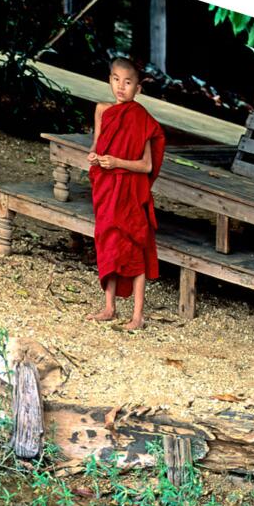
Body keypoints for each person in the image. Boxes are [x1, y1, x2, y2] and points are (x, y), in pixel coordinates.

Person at [87, 57, 165, 330]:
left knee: (135, 249)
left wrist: (117, 162)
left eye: (128, 82)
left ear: (138, 89)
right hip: (107, 190)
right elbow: (97, 148)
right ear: (109, 80)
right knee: (107, 243)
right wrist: (96, 158)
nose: (121, 87)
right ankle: (109, 307)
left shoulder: (141, 119)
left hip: (130, 194)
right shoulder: (102, 110)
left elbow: (147, 165)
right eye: (116, 79)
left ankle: (137, 316)